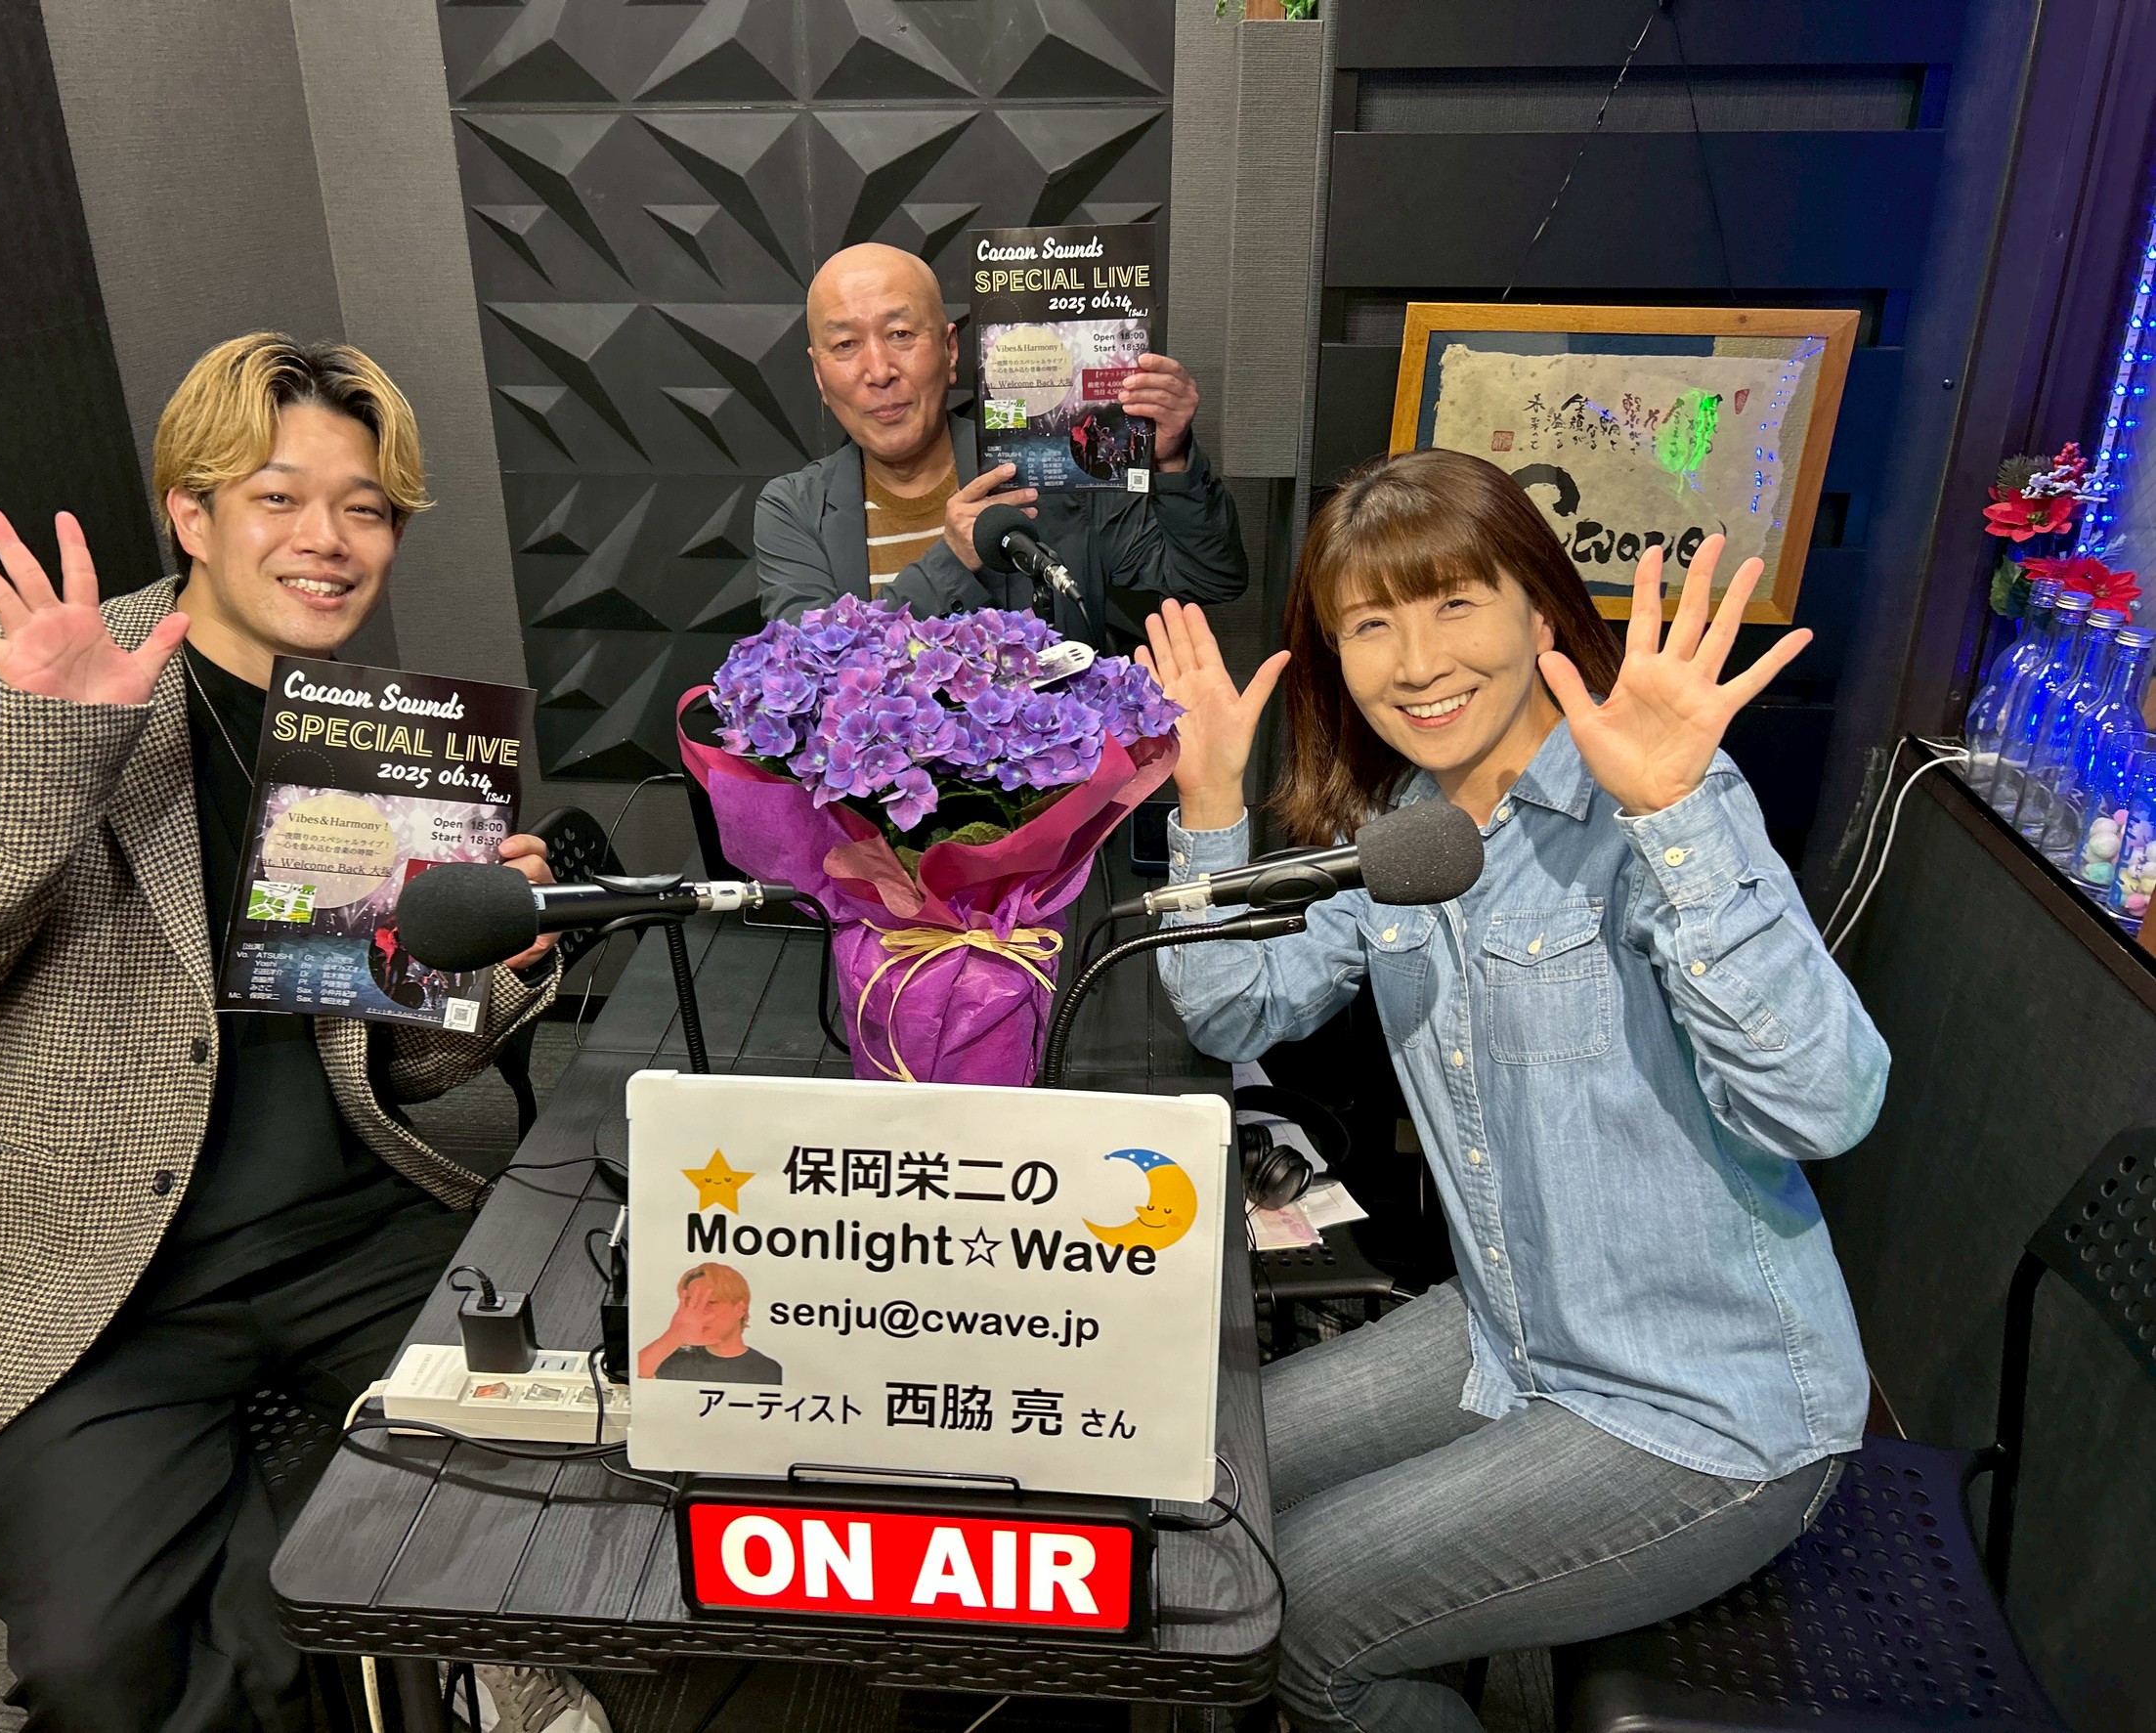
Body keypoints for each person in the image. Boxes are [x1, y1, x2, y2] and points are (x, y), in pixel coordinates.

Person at [0, 334, 604, 1733]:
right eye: (278, 497)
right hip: (97, 1275)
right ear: (190, 514)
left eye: (365, 509)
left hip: (349, 1227)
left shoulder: (375, 730)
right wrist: (58, 750)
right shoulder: (6, 678)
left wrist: (493, 966)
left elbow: (410, 1061)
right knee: (99, 1662)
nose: (328, 541)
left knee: (578, 1454)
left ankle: (451, 1659)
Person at [1143, 449, 1886, 1733]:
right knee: (1198, 1470)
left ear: (1540, 610)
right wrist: (1209, 801)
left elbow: (1823, 1105)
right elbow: (1235, 1008)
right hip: (1509, 1329)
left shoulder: (1656, 803)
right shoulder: (1408, 831)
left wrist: (1675, 820)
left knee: (1304, 1618)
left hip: (1707, 1407)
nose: (1417, 661)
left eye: (1454, 604)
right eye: (1371, 625)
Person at [755, 242, 1249, 646]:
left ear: (951, 351)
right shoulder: (794, 509)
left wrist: (1172, 459)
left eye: (900, 334)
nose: (879, 371)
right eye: (845, 345)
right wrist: (951, 559)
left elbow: (1209, 578)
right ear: (819, 375)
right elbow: (811, 670)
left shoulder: (1055, 469)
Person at [639, 1263, 784, 1385]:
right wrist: (673, 1336)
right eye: (691, 1303)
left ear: (740, 1308)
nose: (699, 1312)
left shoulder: (768, 1369)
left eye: (711, 1302)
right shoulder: (671, 1360)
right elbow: (635, 1380)